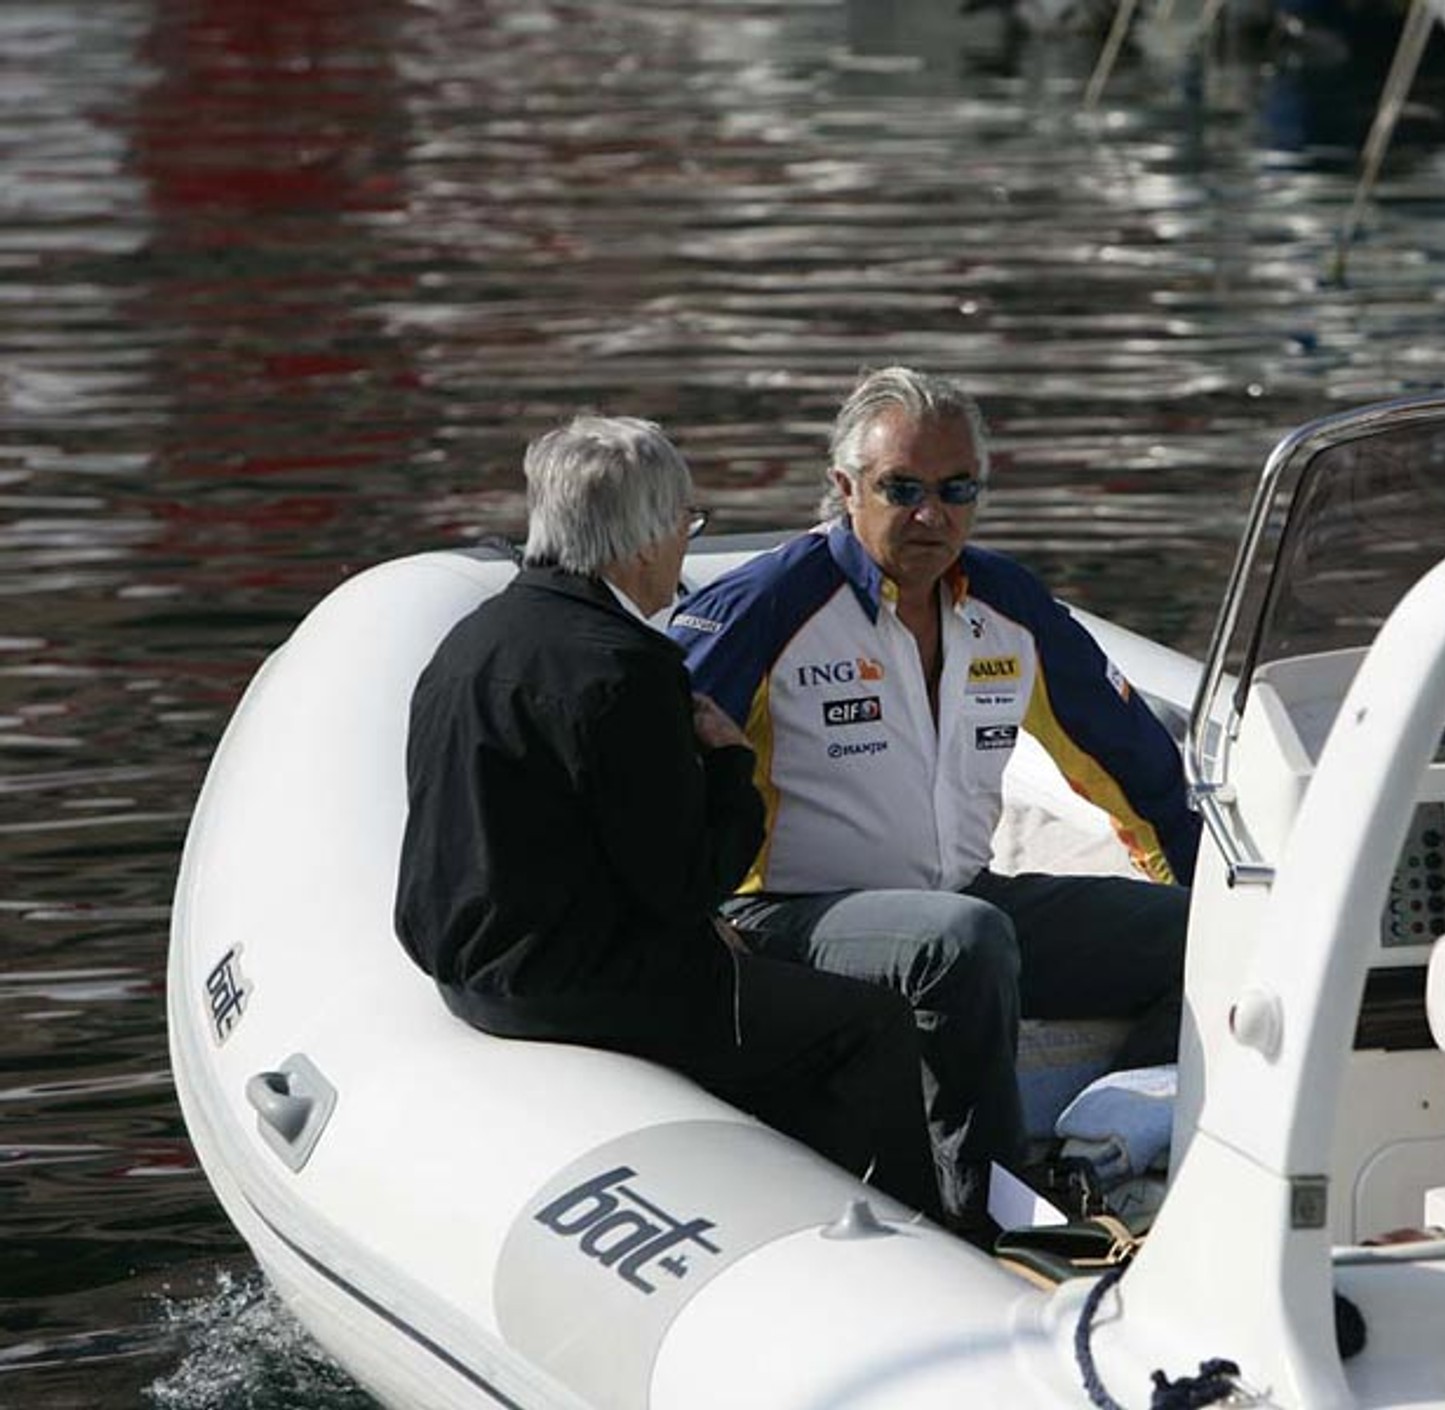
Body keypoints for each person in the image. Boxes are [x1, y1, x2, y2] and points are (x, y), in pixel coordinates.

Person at [668, 367, 1199, 1223]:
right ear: (845, 488)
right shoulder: (765, 605)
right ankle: (983, 1215)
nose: (932, 515)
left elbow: (1133, 763)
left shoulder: (1008, 603)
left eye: (958, 490)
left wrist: (1210, 889)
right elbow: (653, 778)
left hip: (962, 903)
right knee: (961, 940)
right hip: (785, 919)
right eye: (902, 489)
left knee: (1206, 935)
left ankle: (1100, 1150)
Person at [394, 414, 943, 1223]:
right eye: (687, 524)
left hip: (468, 974)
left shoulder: (472, 641)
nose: (687, 545)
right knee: (872, 1025)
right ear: (646, 539)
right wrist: (729, 764)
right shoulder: (622, 669)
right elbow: (688, 881)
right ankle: (916, 1231)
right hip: (570, 989)